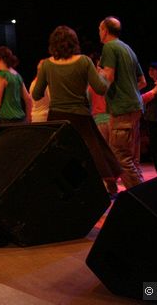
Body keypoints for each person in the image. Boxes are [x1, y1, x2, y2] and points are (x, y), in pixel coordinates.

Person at [32, 26, 121, 194]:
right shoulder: (84, 61)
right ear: (74, 43)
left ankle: (64, 189)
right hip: (80, 116)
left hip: (57, 117)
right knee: (95, 149)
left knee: (62, 156)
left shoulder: (47, 65)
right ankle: (109, 182)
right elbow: (101, 89)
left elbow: (36, 95)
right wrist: (106, 76)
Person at [98, 16, 146, 189]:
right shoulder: (128, 48)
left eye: (99, 29)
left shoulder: (109, 47)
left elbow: (108, 77)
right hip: (134, 108)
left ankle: (142, 201)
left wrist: (97, 77)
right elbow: (142, 82)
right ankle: (144, 198)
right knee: (131, 159)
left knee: (120, 157)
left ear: (104, 30)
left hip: (122, 110)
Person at [0, 46, 32, 123]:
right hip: (21, 119)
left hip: (6, 120)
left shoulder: (1, 75)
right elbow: (28, 99)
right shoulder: (17, 75)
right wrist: (28, 118)